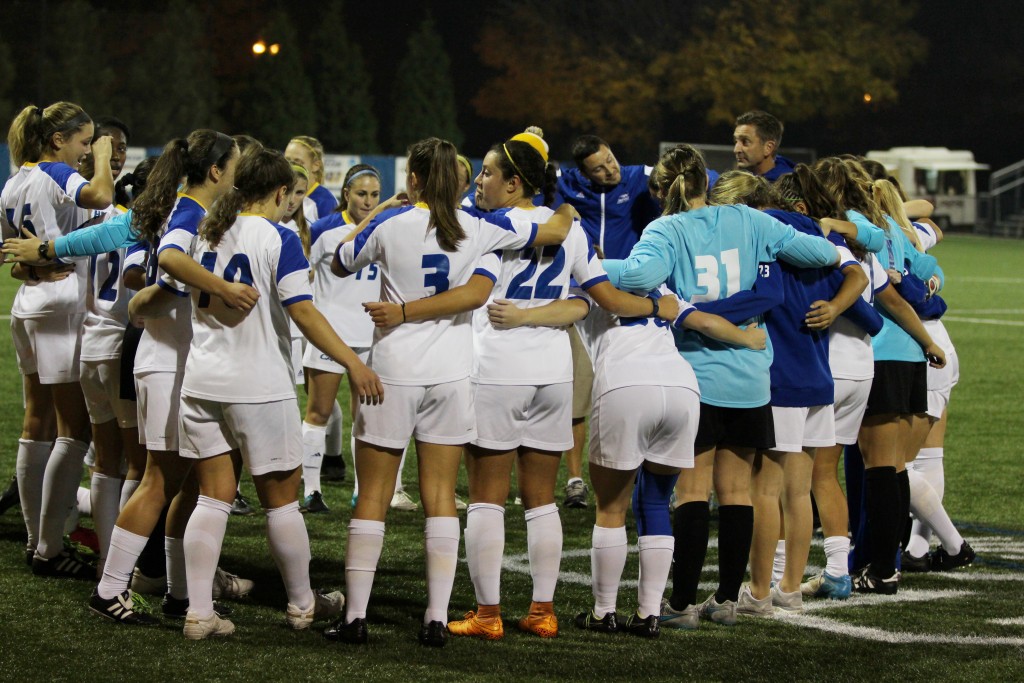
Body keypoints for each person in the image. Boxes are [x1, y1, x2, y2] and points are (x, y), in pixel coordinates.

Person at [323, 136, 577, 648]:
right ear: (459, 181)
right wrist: (565, 200)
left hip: (392, 371)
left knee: (372, 494)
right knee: (441, 497)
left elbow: (341, 261)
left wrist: (376, 221)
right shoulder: (481, 227)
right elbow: (552, 229)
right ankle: (435, 619)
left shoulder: (391, 223)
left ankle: (355, 617)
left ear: (412, 179)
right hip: (452, 374)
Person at [601, 144, 841, 629]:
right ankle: (728, 601)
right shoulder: (750, 222)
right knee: (737, 492)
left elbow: (640, 275)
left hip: (697, 373)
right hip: (752, 374)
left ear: (662, 188)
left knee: (691, 491)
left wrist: (590, 267)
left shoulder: (666, 229)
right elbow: (825, 254)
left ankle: (682, 604)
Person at [177, 147, 375, 639]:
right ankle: (304, 604)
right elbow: (303, 312)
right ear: (282, 193)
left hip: (201, 381)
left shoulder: (205, 232)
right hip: (258, 385)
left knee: (212, 496)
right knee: (282, 501)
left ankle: (199, 612)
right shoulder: (280, 236)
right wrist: (352, 360)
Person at [89, 129, 256, 624]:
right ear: (215, 171)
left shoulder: (192, 211)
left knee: (183, 483)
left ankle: (180, 593)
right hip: (167, 361)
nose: (239, 175)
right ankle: (109, 589)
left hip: (176, 359)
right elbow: (169, 261)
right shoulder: (189, 211)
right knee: (159, 480)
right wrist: (221, 288)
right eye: (235, 166)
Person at [1, 102, 114, 578]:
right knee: (75, 430)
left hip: (28, 302)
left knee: (37, 422)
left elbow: (10, 253)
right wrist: (105, 158)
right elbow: (101, 194)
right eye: (84, 141)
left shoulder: (13, 181)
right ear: (57, 140)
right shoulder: (53, 171)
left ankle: (36, 539)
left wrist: (34, 264)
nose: (87, 150)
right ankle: (48, 547)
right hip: (61, 303)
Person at [555, 135, 660, 509]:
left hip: (629, 296)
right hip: (581, 296)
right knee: (578, 393)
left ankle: (644, 473)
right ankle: (575, 479)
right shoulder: (565, 184)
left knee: (631, 387)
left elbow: (698, 175)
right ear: (583, 172)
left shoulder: (638, 177)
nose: (610, 169)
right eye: (599, 167)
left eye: (611, 160)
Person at [301, 164, 386, 513]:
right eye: (361, 194)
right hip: (329, 334)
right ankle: (311, 491)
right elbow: (303, 274)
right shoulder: (323, 229)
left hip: (370, 334)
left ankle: (361, 490)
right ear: (346, 194)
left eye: (375, 195)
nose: (368, 201)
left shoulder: (388, 228)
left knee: (365, 418)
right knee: (319, 410)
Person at [285, 135, 338, 223]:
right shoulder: (280, 193)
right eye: (287, 161)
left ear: (315, 165)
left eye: (297, 162)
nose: (291, 166)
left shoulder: (325, 201)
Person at [733, 110, 795, 182]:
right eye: (736, 141)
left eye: (745, 142)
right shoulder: (740, 182)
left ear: (768, 148)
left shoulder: (787, 189)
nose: (736, 150)